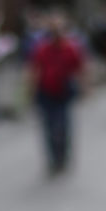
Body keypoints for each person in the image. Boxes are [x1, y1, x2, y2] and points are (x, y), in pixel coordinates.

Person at [30, 13, 84, 176]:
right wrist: (31, 90)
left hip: (63, 91)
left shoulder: (71, 48)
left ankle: (62, 156)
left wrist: (85, 88)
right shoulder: (42, 48)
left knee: (61, 126)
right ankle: (52, 159)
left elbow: (80, 68)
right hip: (45, 91)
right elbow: (34, 69)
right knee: (48, 127)